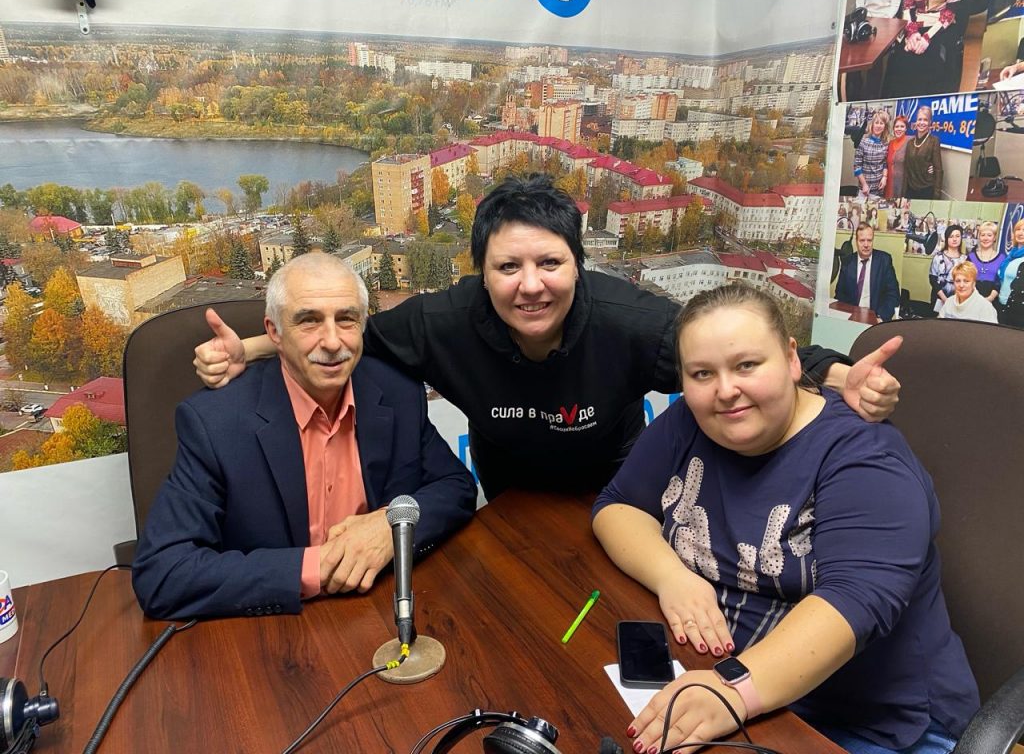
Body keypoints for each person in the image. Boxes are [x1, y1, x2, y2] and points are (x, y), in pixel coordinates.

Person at [193, 176, 902, 501]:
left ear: (577, 265)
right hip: (508, 496)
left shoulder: (628, 319)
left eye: (550, 264)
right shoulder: (444, 320)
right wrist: (248, 350)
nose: (530, 286)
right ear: (482, 273)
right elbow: (346, 340)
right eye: (508, 267)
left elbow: (732, 350)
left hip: (618, 492)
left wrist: (844, 377)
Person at [591, 284, 979, 754]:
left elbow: (852, 603)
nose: (725, 390)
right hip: (737, 688)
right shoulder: (690, 423)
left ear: (793, 360)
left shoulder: (866, 458)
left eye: (746, 365)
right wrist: (671, 576)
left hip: (869, 724)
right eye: (702, 373)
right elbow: (619, 506)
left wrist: (732, 690)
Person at [132, 253, 477, 620]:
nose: (332, 341)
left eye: (346, 319)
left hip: (382, 610)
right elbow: (163, 573)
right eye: (309, 321)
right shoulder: (215, 423)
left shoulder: (397, 392)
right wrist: (316, 567)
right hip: (275, 627)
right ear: (274, 332)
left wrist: (390, 525)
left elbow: (455, 487)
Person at [876, 0, 968, 99]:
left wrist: (927, 38)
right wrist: (912, 33)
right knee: (901, 56)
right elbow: (907, 8)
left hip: (941, 27)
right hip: (916, 26)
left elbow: (950, 13)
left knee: (933, 57)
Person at [835, 223, 901, 321]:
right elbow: (840, 294)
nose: (866, 245)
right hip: (852, 317)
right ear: (856, 241)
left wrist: (880, 317)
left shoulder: (884, 260)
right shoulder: (847, 262)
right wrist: (848, 316)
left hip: (876, 318)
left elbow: (893, 294)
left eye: (869, 240)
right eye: (862, 240)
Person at [904, 106, 943, 200]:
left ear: (930, 123)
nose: (922, 122)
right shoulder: (910, 143)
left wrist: (937, 195)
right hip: (910, 189)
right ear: (916, 122)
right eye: (919, 119)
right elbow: (907, 168)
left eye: (925, 120)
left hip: (926, 190)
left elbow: (939, 170)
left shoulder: (934, 141)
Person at [930, 223, 967, 313]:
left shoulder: (965, 259)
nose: (954, 239)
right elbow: (932, 279)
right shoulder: (938, 257)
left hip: (958, 301)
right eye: (951, 236)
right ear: (946, 239)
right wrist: (945, 299)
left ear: (961, 238)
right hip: (939, 299)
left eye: (957, 236)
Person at [853, 110, 889, 198]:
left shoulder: (885, 143)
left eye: (881, 123)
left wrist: (884, 177)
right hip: (865, 189)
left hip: (879, 189)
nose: (878, 126)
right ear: (872, 125)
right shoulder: (863, 141)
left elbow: (885, 163)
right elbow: (857, 166)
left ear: (885, 126)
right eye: (876, 123)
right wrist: (864, 184)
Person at [966, 220, 1005, 302]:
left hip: (992, 301)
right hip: (971, 299)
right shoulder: (971, 257)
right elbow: (965, 279)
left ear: (994, 237)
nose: (985, 238)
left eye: (989, 235)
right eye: (982, 235)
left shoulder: (1002, 258)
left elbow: (1000, 281)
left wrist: (990, 298)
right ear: (979, 237)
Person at [997, 219, 1024, 327]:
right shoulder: (1011, 255)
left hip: (1016, 309)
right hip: (1001, 303)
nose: (1020, 233)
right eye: (1018, 229)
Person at [884, 116, 909, 199]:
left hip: (902, 186)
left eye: (902, 126)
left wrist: (928, 166)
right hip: (888, 184)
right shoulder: (890, 143)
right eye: (897, 126)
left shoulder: (910, 141)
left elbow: (920, 157)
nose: (899, 129)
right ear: (893, 128)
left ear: (906, 128)